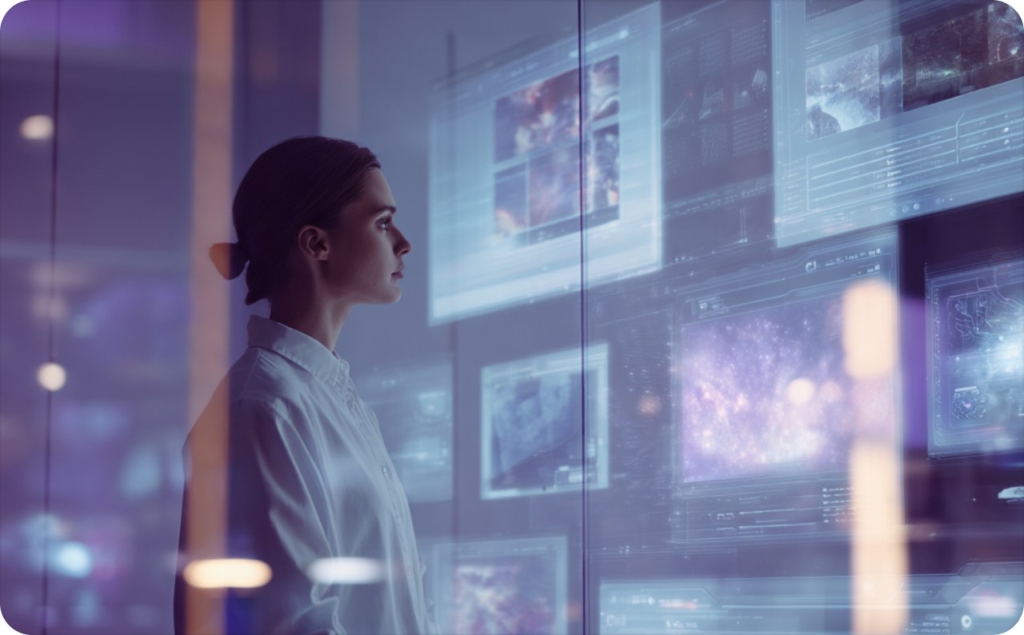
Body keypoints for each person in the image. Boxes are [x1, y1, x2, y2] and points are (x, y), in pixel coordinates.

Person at [173, 136, 434, 634]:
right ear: (316, 243)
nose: (403, 243)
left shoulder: (324, 398)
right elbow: (291, 624)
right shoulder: (264, 406)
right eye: (382, 223)